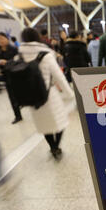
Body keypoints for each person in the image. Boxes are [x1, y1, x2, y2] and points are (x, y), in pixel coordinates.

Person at [18, 28, 73, 160]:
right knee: (59, 122)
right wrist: (70, 94)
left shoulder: (19, 56)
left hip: (33, 97)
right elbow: (59, 77)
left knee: (44, 125)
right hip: (50, 95)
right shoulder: (46, 55)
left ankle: (52, 147)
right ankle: (56, 147)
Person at [0, 32, 23, 124]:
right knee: (12, 97)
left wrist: (7, 62)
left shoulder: (14, 49)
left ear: (7, 38)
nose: (1, 41)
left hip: (17, 75)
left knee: (22, 94)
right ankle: (17, 116)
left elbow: (19, 61)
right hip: (6, 76)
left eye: (2, 38)